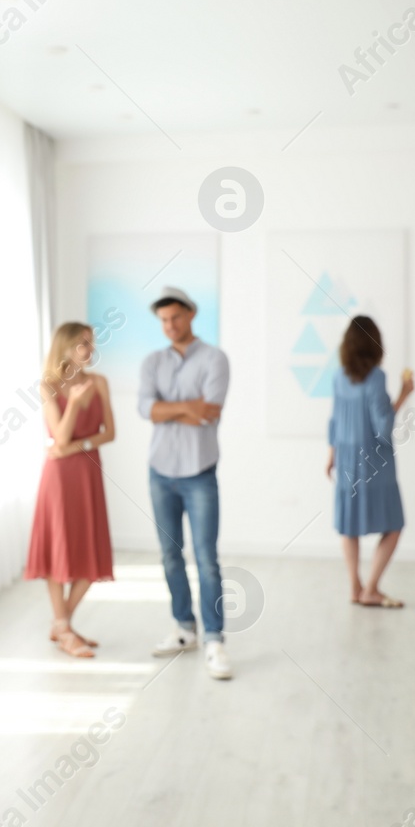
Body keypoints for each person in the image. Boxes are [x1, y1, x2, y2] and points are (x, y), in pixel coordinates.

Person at [138, 286, 233, 680]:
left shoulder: (214, 358)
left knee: (206, 559)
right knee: (170, 555)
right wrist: (186, 406)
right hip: (160, 471)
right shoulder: (152, 361)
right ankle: (183, 628)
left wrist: (169, 410)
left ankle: (214, 640)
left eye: (175, 318)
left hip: (199, 472)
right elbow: (146, 408)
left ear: (191, 315)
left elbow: (208, 414)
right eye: (162, 320)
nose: (169, 326)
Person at [24, 321, 116, 658]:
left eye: (91, 343)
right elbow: (58, 438)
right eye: (83, 344)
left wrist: (77, 447)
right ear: (65, 348)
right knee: (59, 550)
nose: (89, 350)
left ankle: (61, 624)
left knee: (89, 550)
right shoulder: (47, 386)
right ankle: (63, 628)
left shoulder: (100, 382)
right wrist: (74, 403)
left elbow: (109, 432)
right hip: (59, 478)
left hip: (86, 470)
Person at [325, 315, 413, 607]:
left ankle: (355, 586)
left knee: (349, 525)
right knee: (394, 525)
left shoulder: (339, 376)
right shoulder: (377, 377)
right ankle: (371, 588)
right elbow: (383, 428)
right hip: (375, 460)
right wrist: (403, 396)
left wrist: (331, 455)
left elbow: (335, 419)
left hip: (347, 458)